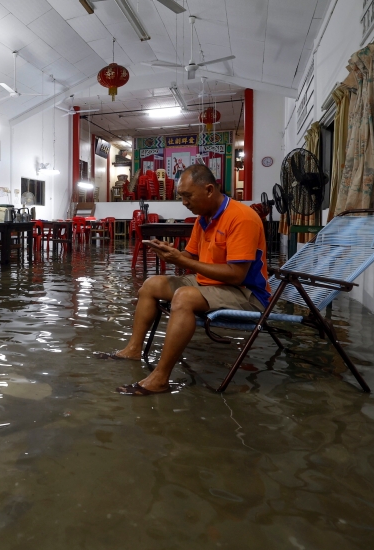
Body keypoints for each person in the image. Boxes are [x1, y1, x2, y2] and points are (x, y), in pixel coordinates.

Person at [99, 164, 271, 395]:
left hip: (246, 293)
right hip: (210, 284)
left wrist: (183, 262)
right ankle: (133, 349)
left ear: (209, 190)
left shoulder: (242, 218)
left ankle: (160, 378)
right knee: (152, 284)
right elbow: (190, 256)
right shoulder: (204, 218)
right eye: (181, 196)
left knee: (184, 297)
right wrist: (170, 252)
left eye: (188, 196)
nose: (184, 202)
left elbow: (236, 274)